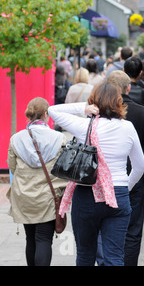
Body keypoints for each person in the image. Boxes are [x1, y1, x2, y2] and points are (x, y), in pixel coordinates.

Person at [48, 83, 144, 266]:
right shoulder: (128, 127)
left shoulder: (84, 125)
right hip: (118, 195)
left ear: (94, 102)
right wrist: (123, 187)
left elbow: (52, 110)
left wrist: (82, 108)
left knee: (85, 255)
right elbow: (140, 166)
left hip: (86, 196)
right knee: (115, 257)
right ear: (118, 102)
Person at [106, 71, 144, 266]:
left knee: (106, 229)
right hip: (133, 179)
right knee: (133, 230)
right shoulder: (140, 112)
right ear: (129, 88)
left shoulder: (99, 111)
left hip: (105, 180)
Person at [7, 97, 67, 266]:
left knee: (30, 238)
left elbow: (12, 166)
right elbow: (63, 168)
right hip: (47, 197)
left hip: (24, 196)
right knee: (43, 239)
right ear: (46, 114)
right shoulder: (58, 138)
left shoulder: (16, 139)